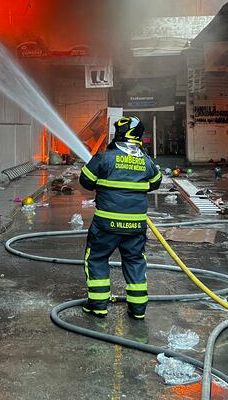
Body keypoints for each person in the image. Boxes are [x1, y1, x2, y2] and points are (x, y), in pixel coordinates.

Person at [79, 116, 162, 319]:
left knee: (97, 258)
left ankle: (98, 306)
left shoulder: (104, 157)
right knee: (135, 261)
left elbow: (86, 181)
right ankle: (138, 309)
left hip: (105, 225)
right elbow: (155, 182)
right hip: (135, 226)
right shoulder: (146, 160)